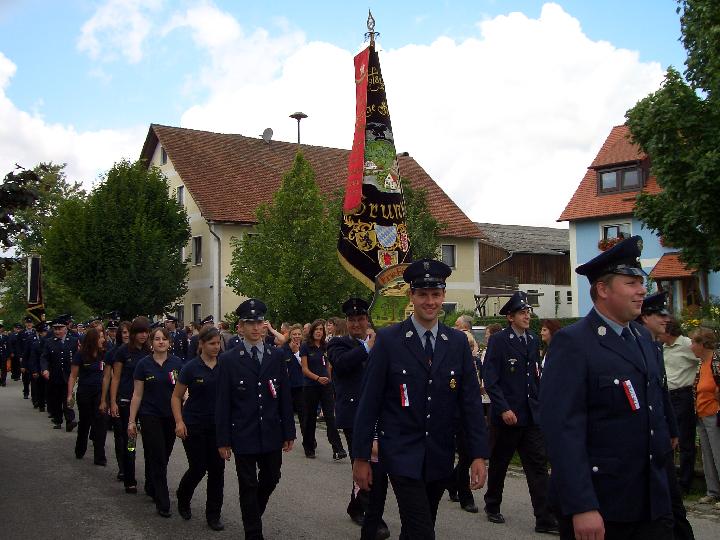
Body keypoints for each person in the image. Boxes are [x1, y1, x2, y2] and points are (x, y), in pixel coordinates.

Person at [540, 236, 675, 540]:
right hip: (603, 504)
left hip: (650, 501)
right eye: (631, 283)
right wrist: (582, 505)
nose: (642, 290)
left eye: (641, 282)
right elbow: (563, 430)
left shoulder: (642, 338)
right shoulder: (573, 343)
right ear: (603, 289)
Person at [353, 258, 489, 539]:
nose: (430, 301)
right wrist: (361, 456)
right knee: (422, 531)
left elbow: (470, 405)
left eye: (436, 294)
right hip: (401, 454)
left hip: (439, 455)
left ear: (443, 296)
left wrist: (478, 454)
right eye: (423, 294)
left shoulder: (457, 343)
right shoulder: (389, 341)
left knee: (419, 527)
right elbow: (369, 403)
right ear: (411, 296)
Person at [216, 299, 296, 540]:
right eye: (249, 323)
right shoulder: (229, 359)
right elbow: (223, 402)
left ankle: (253, 512)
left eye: (259, 322)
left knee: (272, 477)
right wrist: (223, 440)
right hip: (243, 431)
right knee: (247, 483)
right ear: (240, 327)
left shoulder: (276, 355)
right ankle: (253, 532)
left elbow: (284, 396)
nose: (255, 327)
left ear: (264, 326)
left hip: (271, 430)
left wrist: (289, 432)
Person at [482, 291, 557, 534]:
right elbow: (490, 378)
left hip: (530, 415)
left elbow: (533, 377)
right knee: (500, 463)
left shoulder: (532, 340)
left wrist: (540, 404)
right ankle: (492, 504)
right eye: (522, 313)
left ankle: (544, 518)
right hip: (507, 417)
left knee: (537, 466)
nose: (527, 316)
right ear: (510, 317)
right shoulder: (499, 341)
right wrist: (503, 408)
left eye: (528, 312)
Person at [328, 298, 391, 538]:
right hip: (354, 414)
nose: (356, 324)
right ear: (346, 322)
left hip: (379, 413)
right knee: (365, 461)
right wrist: (367, 347)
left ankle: (356, 506)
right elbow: (342, 364)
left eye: (361, 319)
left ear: (367, 320)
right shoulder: (338, 344)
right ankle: (372, 516)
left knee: (376, 464)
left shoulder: (380, 341)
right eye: (352, 320)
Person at [638, 292, 693, 540]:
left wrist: (671, 429)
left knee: (673, 504)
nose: (666, 319)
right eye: (660, 315)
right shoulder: (639, 346)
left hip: (660, 434)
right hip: (645, 439)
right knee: (663, 507)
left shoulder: (655, 346)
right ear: (645, 317)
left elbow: (662, 390)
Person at [172, 326, 226, 531]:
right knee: (198, 467)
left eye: (218, 343)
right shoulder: (191, 367)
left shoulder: (224, 366)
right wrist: (179, 422)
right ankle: (183, 496)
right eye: (212, 343)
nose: (216, 347)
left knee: (217, 470)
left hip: (217, 426)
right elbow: (176, 396)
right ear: (201, 344)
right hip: (194, 424)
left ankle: (213, 514)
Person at [128, 326, 183, 517]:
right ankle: (163, 501)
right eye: (157, 339)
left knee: (163, 455)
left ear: (169, 342)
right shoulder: (144, 365)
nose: (161, 342)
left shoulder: (176, 363)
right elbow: (137, 394)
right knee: (158, 455)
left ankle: (152, 484)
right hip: (150, 415)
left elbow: (182, 391)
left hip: (170, 415)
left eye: (164, 339)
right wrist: (131, 421)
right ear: (151, 343)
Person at [111, 316, 151, 494]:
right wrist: (113, 401)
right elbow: (116, 377)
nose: (143, 335)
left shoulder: (150, 350)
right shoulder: (123, 351)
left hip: (147, 401)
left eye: (145, 332)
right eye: (139, 332)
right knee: (130, 443)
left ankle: (151, 482)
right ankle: (129, 478)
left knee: (150, 444)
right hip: (127, 400)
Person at [660, 318, 700, 494]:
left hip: (682, 395)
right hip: (666, 396)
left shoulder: (686, 344)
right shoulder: (662, 347)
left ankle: (685, 484)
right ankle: (670, 481)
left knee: (685, 440)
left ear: (668, 331)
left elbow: (703, 359)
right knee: (666, 438)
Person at [300, 319, 347, 460]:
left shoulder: (325, 346)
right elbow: (304, 369)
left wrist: (329, 381)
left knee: (330, 417)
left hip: (325, 386)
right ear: (312, 331)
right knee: (310, 418)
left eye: (321, 329)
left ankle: (338, 448)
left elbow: (328, 366)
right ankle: (309, 446)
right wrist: (317, 378)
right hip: (310, 385)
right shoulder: (305, 346)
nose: (319, 332)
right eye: (316, 329)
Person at [689, 326, 720, 509]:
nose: (691, 346)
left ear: (703, 344)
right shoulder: (702, 364)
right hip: (702, 413)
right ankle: (712, 492)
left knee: (718, 453)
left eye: (693, 342)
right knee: (707, 455)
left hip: (715, 414)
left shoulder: (717, 361)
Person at [68, 326, 108, 465]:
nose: (103, 340)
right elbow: (73, 376)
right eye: (100, 337)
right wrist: (69, 394)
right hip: (85, 393)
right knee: (85, 423)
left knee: (100, 425)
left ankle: (100, 456)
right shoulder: (80, 355)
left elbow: (107, 376)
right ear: (93, 339)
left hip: (100, 393)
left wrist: (105, 398)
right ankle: (80, 448)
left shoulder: (104, 354)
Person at [103, 320, 130, 481]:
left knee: (130, 436)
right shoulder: (112, 353)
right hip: (118, 398)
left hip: (135, 399)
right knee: (120, 434)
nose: (127, 335)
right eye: (124, 332)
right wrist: (105, 400)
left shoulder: (139, 352)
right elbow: (107, 378)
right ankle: (123, 466)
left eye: (129, 332)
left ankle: (129, 462)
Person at [40, 316, 78, 431]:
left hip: (69, 375)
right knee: (56, 399)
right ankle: (58, 419)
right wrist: (45, 369)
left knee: (68, 397)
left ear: (65, 328)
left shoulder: (73, 340)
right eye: (55, 329)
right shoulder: (49, 342)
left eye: (60, 328)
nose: (57, 331)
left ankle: (70, 420)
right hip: (54, 375)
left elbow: (78, 357)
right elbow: (44, 358)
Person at [281, 324, 305, 437]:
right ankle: (288, 436)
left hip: (301, 386)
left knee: (303, 415)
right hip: (287, 387)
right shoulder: (283, 349)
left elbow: (305, 366)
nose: (297, 336)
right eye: (294, 334)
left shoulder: (305, 347)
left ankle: (308, 441)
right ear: (290, 335)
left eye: (299, 334)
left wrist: (297, 352)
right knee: (287, 414)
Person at [27, 322, 49, 412]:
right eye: (44, 332)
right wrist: (34, 370)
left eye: (46, 331)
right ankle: (40, 404)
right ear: (40, 333)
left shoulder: (50, 342)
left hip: (48, 369)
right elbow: (33, 358)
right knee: (39, 387)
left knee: (48, 388)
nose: (46, 333)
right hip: (39, 368)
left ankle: (49, 405)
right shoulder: (36, 344)